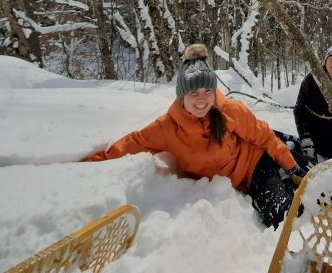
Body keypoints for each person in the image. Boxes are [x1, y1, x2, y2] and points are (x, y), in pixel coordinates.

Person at [81, 44, 305, 228]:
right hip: (231, 181)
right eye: (193, 92)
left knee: (281, 215)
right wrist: (95, 161)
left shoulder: (230, 109)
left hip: (253, 164)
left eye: (208, 91)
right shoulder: (168, 127)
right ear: (181, 96)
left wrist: (290, 166)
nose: (202, 99)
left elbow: (264, 136)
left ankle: (293, 186)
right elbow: (136, 141)